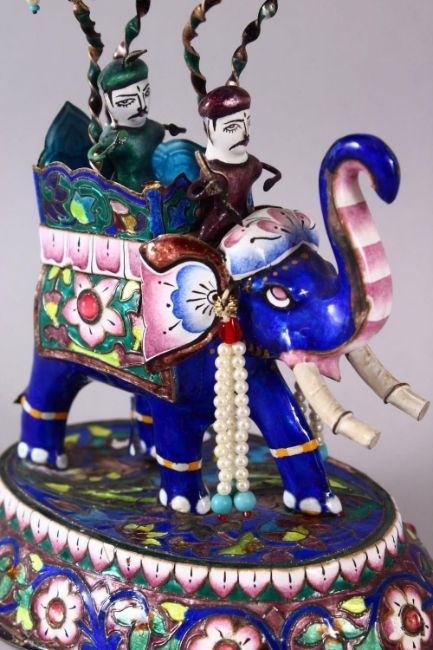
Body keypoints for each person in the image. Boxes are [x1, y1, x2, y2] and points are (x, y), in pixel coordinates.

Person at [188, 84, 280, 245]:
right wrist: (207, 190)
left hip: (248, 214)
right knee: (202, 244)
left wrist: (274, 178)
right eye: (232, 127)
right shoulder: (213, 170)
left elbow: (268, 169)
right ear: (209, 130)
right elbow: (193, 194)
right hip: (222, 219)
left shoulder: (250, 162)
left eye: (247, 123)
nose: (245, 134)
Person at [88, 52, 185, 192]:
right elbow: (98, 154)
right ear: (108, 102)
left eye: (146, 94)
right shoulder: (112, 138)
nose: (142, 105)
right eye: (127, 101)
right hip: (125, 195)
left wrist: (170, 128)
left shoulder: (152, 127)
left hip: (158, 188)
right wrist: (97, 154)